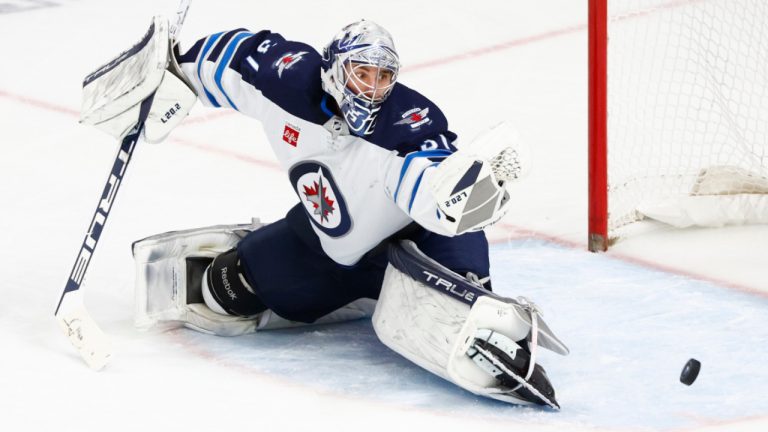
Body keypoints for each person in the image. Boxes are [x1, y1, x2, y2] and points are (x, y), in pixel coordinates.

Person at [100, 18, 568, 408]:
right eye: (363, 73)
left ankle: (477, 311)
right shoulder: (286, 81)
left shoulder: (408, 121)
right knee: (227, 290)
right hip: (328, 248)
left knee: (463, 305)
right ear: (334, 67)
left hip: (415, 243)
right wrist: (173, 70)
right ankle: (360, 292)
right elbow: (234, 55)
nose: (373, 87)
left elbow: (428, 180)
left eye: (384, 77)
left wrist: (463, 193)